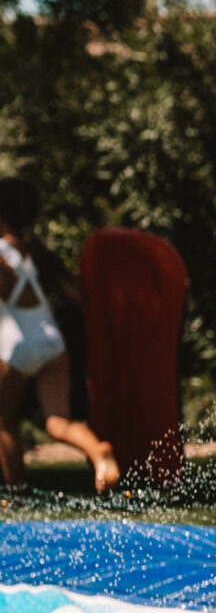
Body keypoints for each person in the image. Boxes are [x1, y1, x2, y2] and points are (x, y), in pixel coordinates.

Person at [0, 176, 119, 494]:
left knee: (5, 424)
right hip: (52, 342)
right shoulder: (35, 250)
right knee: (58, 422)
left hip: (15, 346)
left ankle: (18, 497)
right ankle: (99, 453)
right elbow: (77, 294)